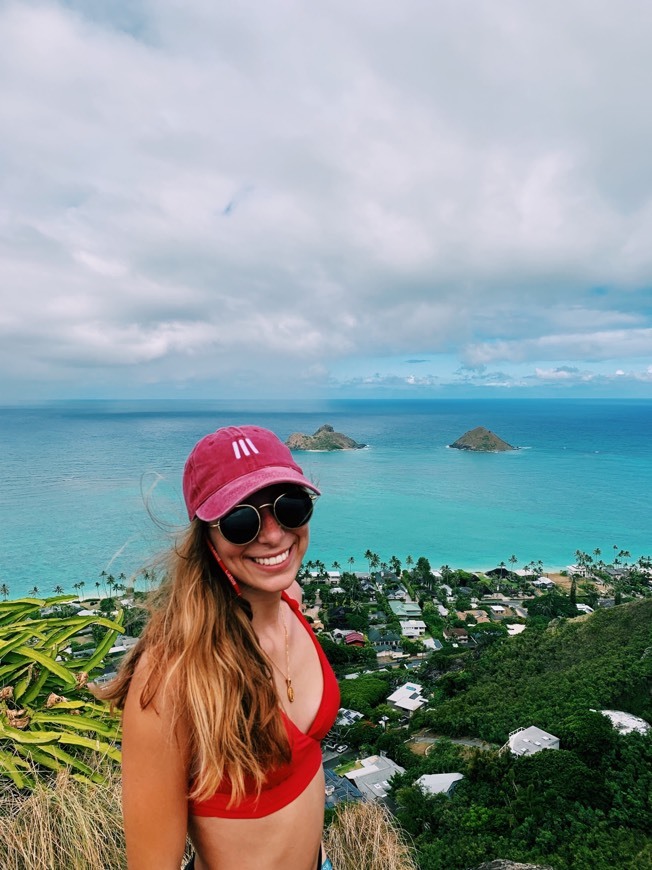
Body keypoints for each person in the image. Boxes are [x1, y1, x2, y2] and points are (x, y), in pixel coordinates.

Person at [102, 425, 339, 870]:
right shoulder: (171, 679)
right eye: (241, 519)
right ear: (206, 536)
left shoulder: (292, 601)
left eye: (290, 507)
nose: (272, 536)